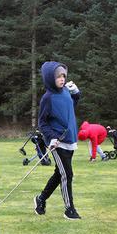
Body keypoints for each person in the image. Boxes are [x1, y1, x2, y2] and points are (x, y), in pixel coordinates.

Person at [33, 61, 82, 220]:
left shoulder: (66, 92)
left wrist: (76, 94)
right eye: (58, 77)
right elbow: (42, 122)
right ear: (49, 78)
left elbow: (70, 106)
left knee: (59, 174)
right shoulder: (47, 98)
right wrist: (51, 138)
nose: (62, 79)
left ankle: (40, 199)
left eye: (63, 76)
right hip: (58, 142)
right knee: (67, 174)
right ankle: (69, 209)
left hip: (70, 139)